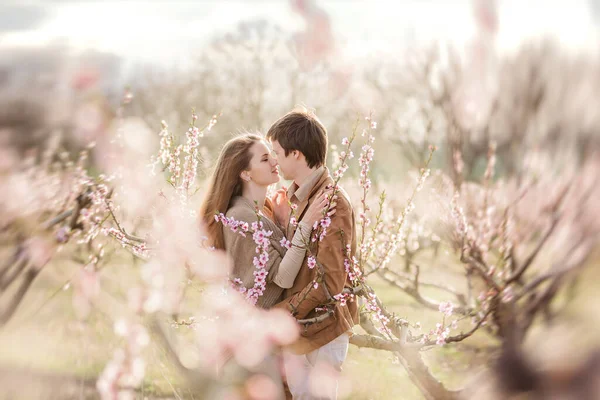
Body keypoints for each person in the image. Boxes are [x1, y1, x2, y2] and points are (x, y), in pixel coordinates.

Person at [266, 109, 358, 399]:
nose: (274, 160)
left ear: (296, 154)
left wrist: (279, 314)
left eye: (278, 152)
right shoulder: (294, 197)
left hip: (321, 331)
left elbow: (330, 282)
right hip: (300, 329)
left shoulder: (333, 204)